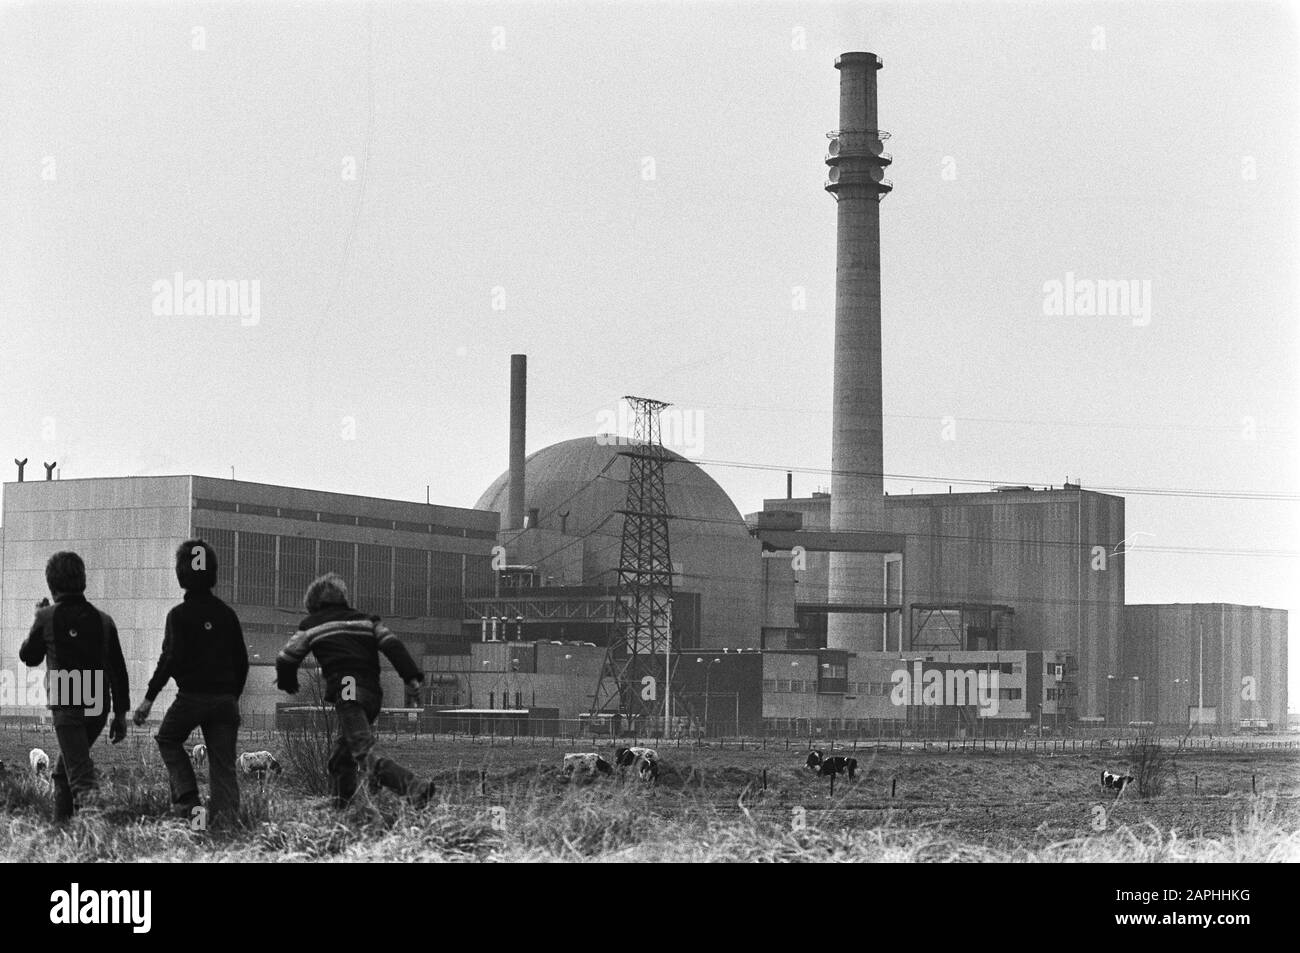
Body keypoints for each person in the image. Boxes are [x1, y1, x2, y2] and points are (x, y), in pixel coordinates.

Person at [275, 572, 432, 808]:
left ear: (313, 604)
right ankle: (342, 810)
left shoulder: (312, 624)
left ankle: (413, 787)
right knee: (341, 758)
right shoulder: (367, 621)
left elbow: (286, 657)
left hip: (348, 690)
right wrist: (411, 677)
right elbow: (393, 645)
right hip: (372, 694)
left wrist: (288, 681)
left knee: (362, 751)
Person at [133, 539, 248, 827]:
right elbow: (242, 662)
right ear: (213, 572)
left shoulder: (179, 616)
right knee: (223, 767)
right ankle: (226, 829)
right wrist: (232, 696)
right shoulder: (227, 614)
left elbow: (169, 659)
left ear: (181, 574)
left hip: (192, 697)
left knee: (168, 739)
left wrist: (148, 700)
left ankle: (189, 803)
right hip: (224, 700)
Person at [19, 551, 130, 821]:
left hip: (67, 705)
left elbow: (29, 657)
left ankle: (95, 835)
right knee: (63, 770)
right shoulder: (104, 621)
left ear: (51, 585)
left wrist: (37, 616)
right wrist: (120, 715)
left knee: (79, 775)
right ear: (83, 581)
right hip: (98, 707)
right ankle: (63, 831)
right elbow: (118, 670)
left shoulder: (47, 617)